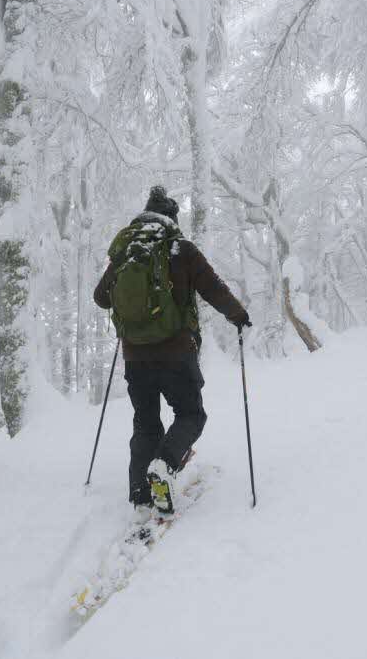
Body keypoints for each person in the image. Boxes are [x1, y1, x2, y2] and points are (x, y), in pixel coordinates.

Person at [94, 186, 251, 516]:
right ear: (171, 219)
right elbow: (212, 287)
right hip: (177, 354)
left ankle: (140, 493)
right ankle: (164, 466)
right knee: (192, 414)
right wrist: (237, 314)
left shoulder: (125, 251)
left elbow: (101, 297)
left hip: (136, 358)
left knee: (146, 424)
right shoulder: (181, 249)